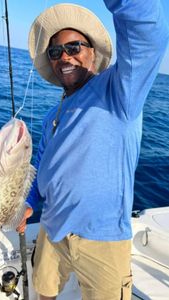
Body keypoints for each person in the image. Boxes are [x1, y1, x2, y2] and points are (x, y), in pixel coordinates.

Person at [17, 1, 169, 299]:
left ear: (93, 53)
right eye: (55, 51)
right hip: (51, 228)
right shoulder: (52, 115)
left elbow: (147, 33)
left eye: (74, 47)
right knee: (43, 290)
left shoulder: (119, 91)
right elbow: (42, 164)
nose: (64, 56)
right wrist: (30, 200)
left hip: (103, 240)